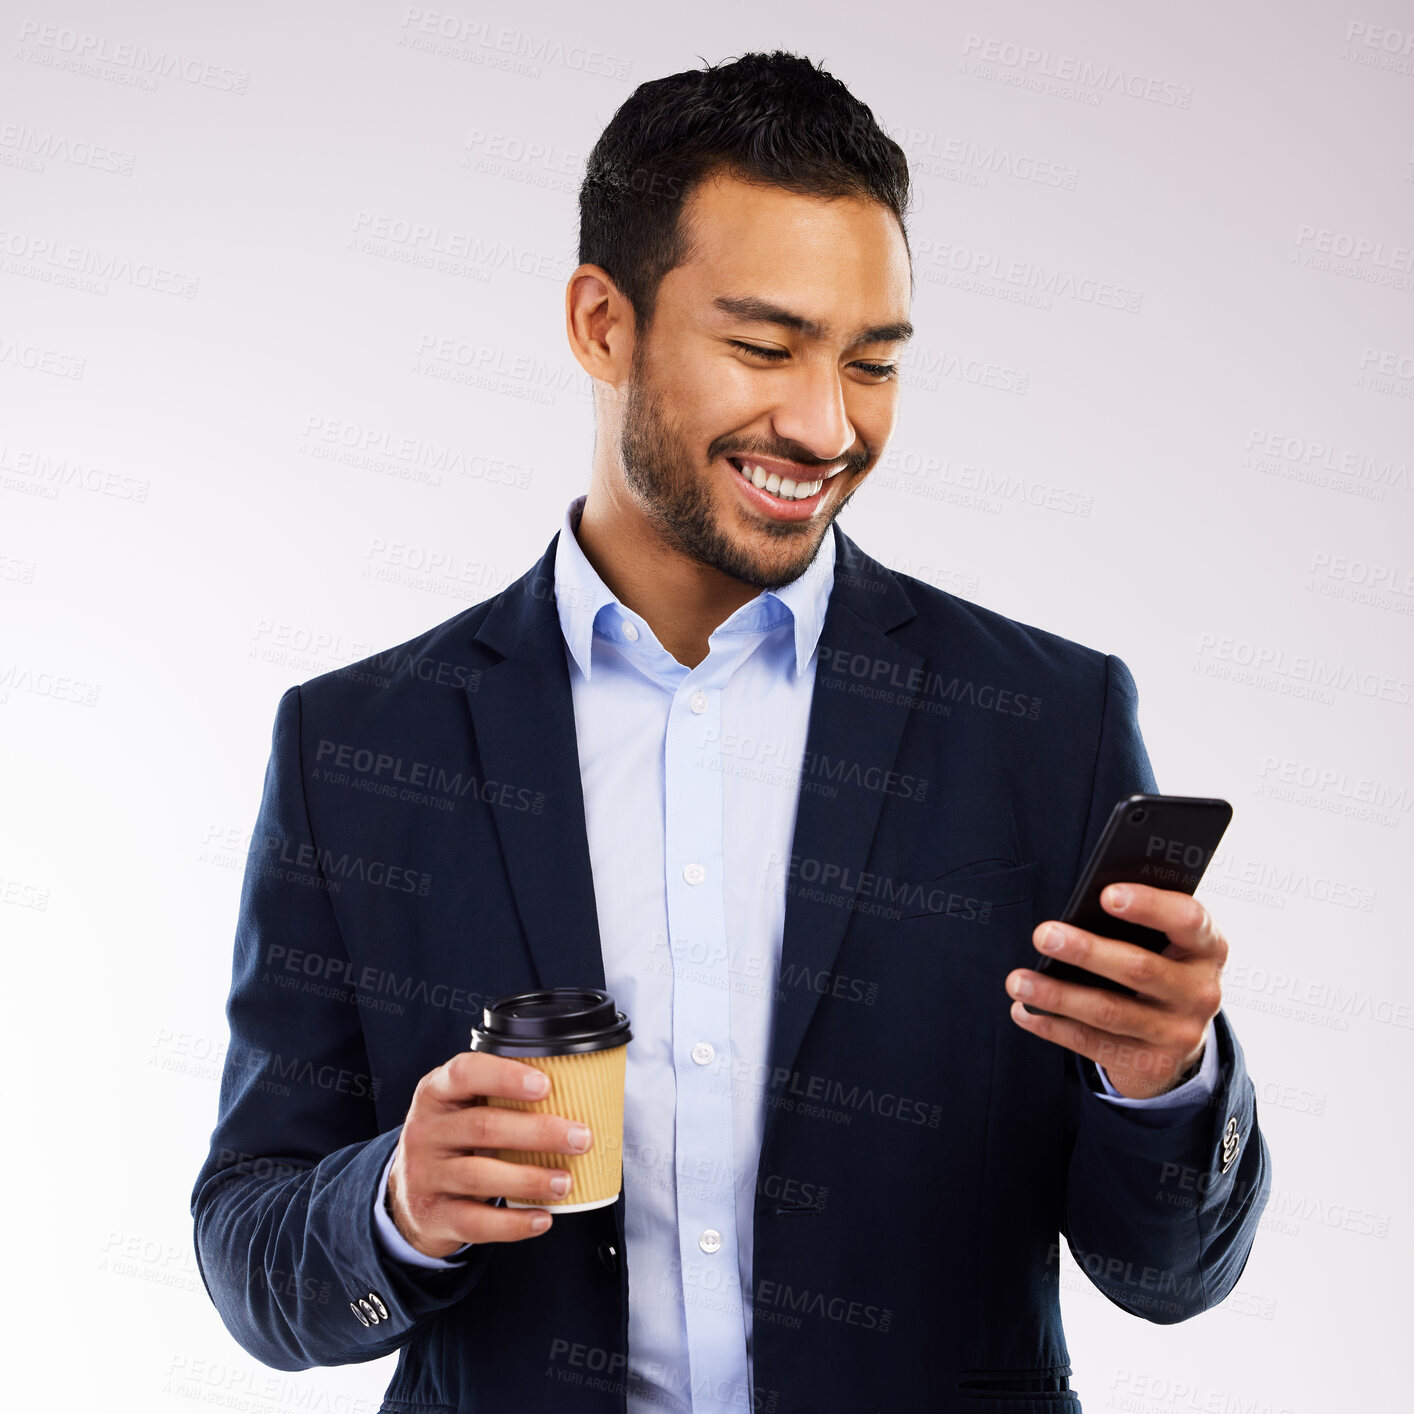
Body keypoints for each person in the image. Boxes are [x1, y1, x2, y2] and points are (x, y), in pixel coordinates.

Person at [192, 50, 1270, 1413]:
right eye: (762, 347)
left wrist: (1162, 1080)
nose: (824, 426)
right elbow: (250, 1242)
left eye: (870, 363)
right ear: (601, 323)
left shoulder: (1044, 725)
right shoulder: (356, 745)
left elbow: (1168, 1273)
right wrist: (397, 1203)